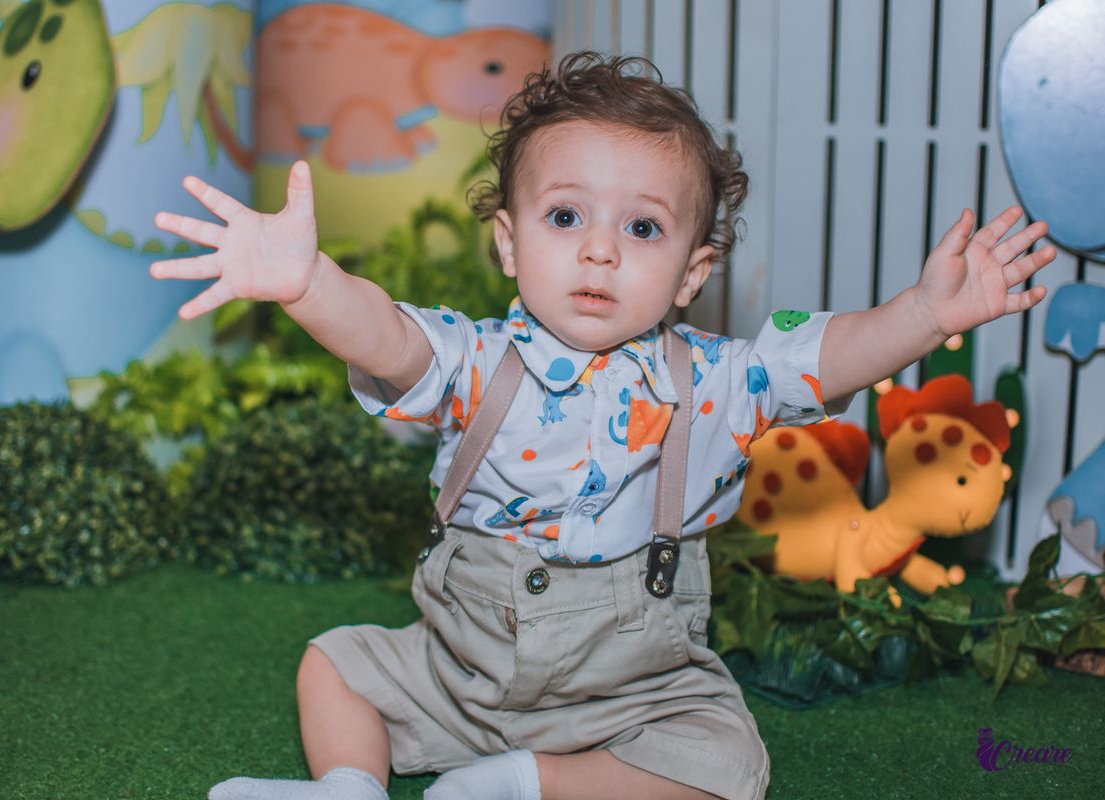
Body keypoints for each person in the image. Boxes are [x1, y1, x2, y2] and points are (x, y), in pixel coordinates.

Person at [150, 53, 1053, 800]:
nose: (600, 249)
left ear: (693, 275)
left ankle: (525, 783)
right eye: (567, 215)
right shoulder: (475, 359)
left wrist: (925, 315)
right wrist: (312, 285)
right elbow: (387, 336)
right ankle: (349, 789)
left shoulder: (718, 380)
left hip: (632, 687)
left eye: (645, 228)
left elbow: (829, 355)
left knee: (731, 762)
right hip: (460, 666)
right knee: (335, 666)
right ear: (509, 243)